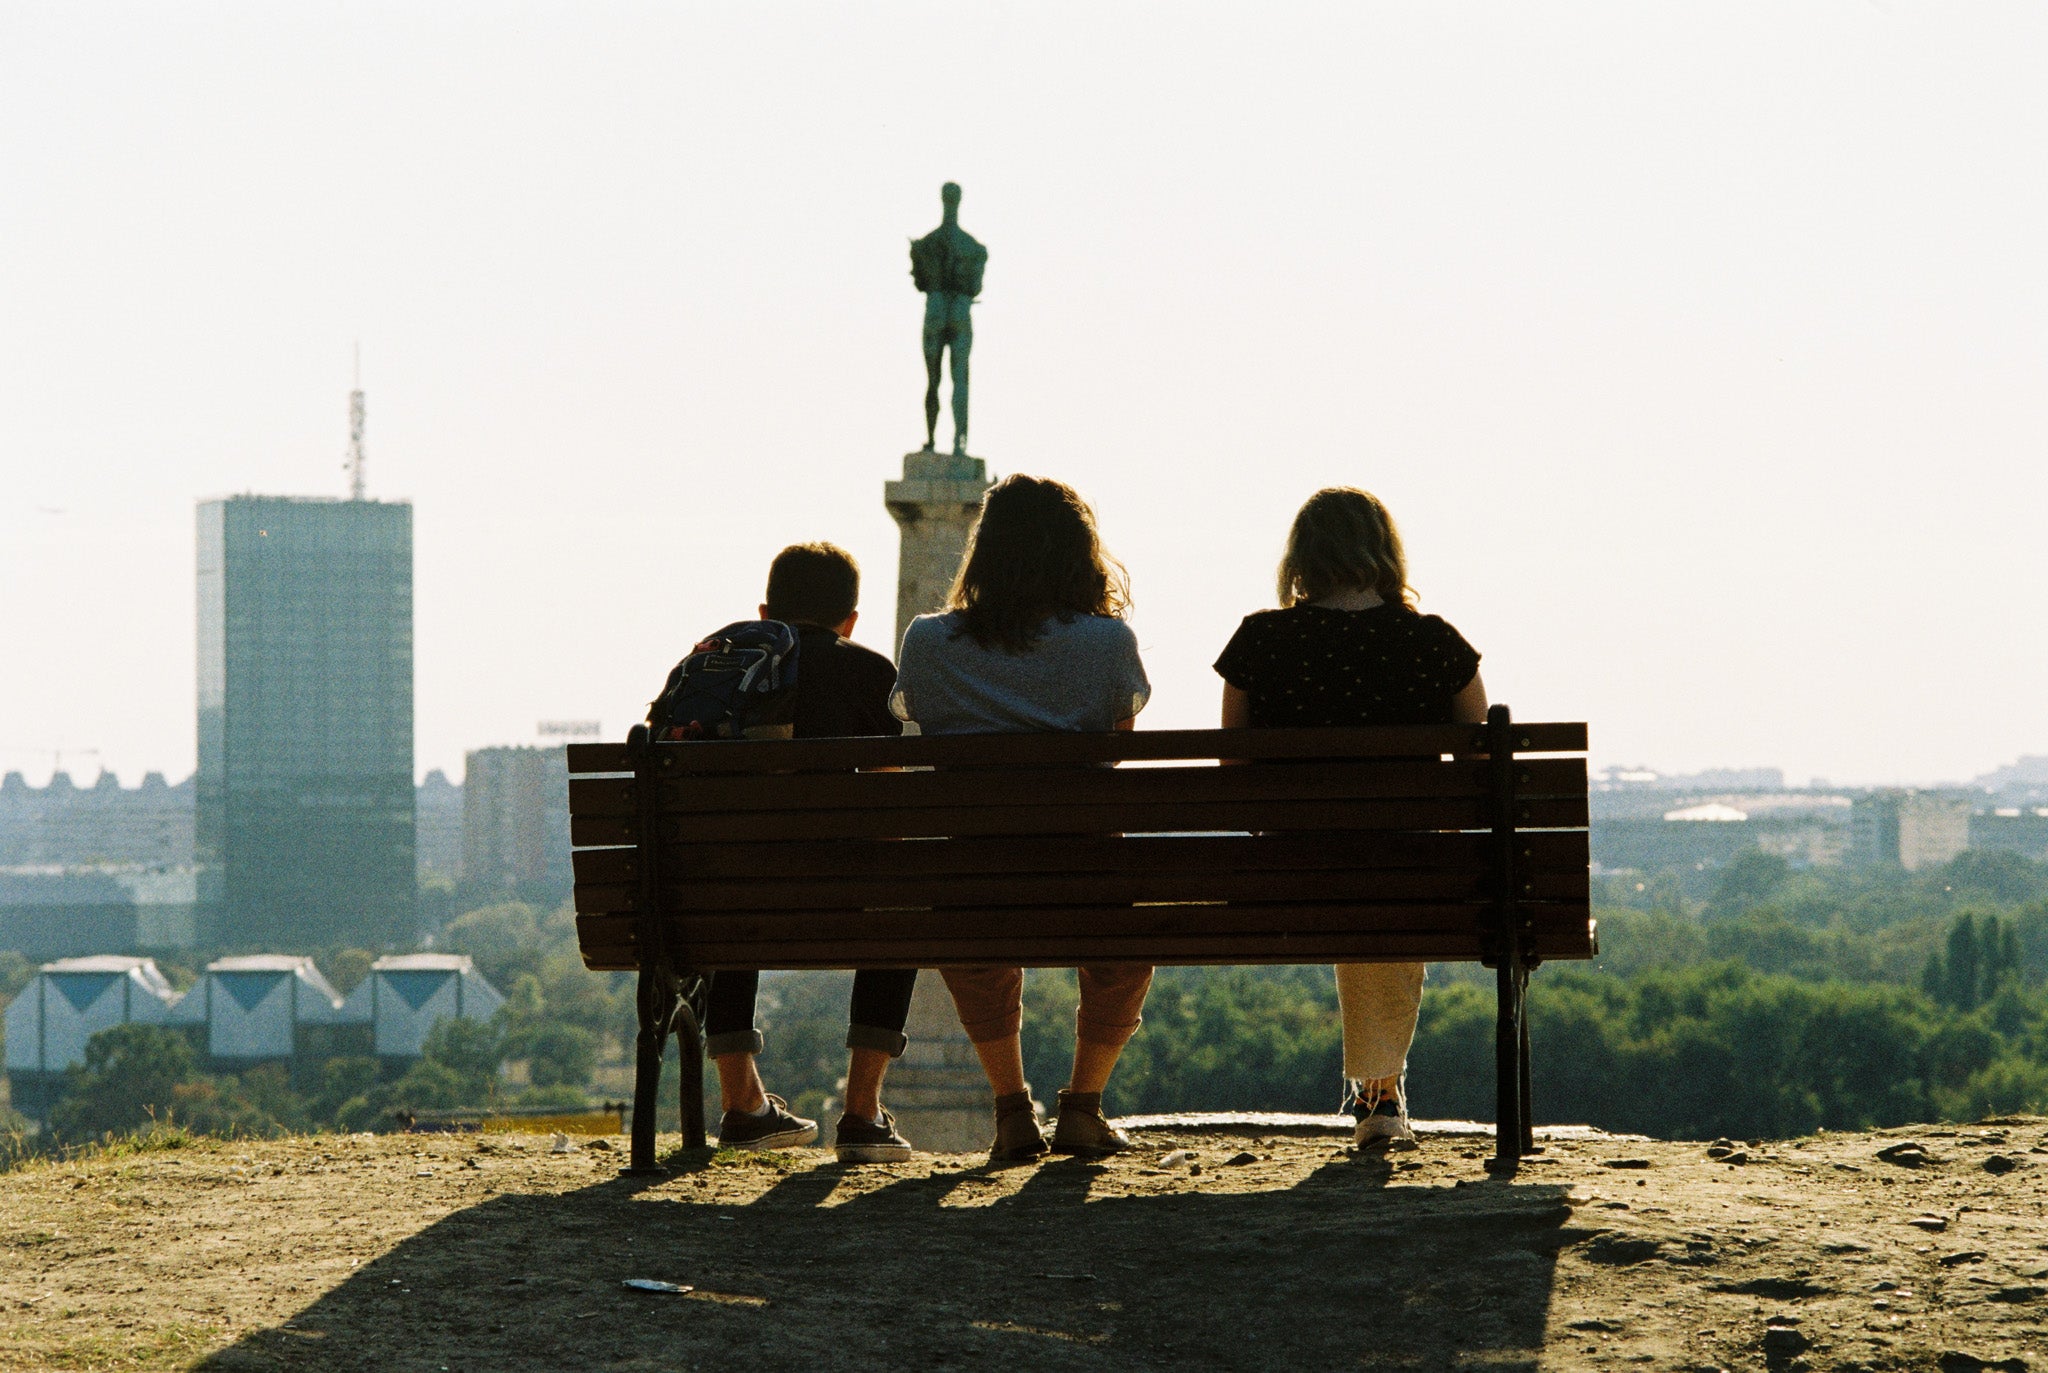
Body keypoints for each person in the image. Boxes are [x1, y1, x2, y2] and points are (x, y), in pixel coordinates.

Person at [1213, 488, 1486, 1152]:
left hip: (1288, 872)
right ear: (1383, 552)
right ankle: (1381, 1093)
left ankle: (1378, 1092)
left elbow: (1231, 765)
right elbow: (1479, 758)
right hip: (1406, 870)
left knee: (1358, 861)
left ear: (1303, 557)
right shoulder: (1434, 643)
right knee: (1391, 863)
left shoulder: (1260, 641)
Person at [892, 475, 1154, 1162]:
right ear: (1079, 554)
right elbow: (1118, 741)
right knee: (1123, 952)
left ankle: (1012, 1109)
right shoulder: (1107, 643)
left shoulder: (928, 641)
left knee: (976, 946)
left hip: (975, 876)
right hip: (1084, 876)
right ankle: (1083, 1105)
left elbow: (917, 720)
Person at [700, 542, 922, 1164]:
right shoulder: (873, 673)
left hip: (723, 904)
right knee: (898, 901)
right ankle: (861, 1111)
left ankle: (741, 1101)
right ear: (851, 620)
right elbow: (889, 809)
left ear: (767, 612)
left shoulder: (721, 670)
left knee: (729, 880)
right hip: (844, 899)